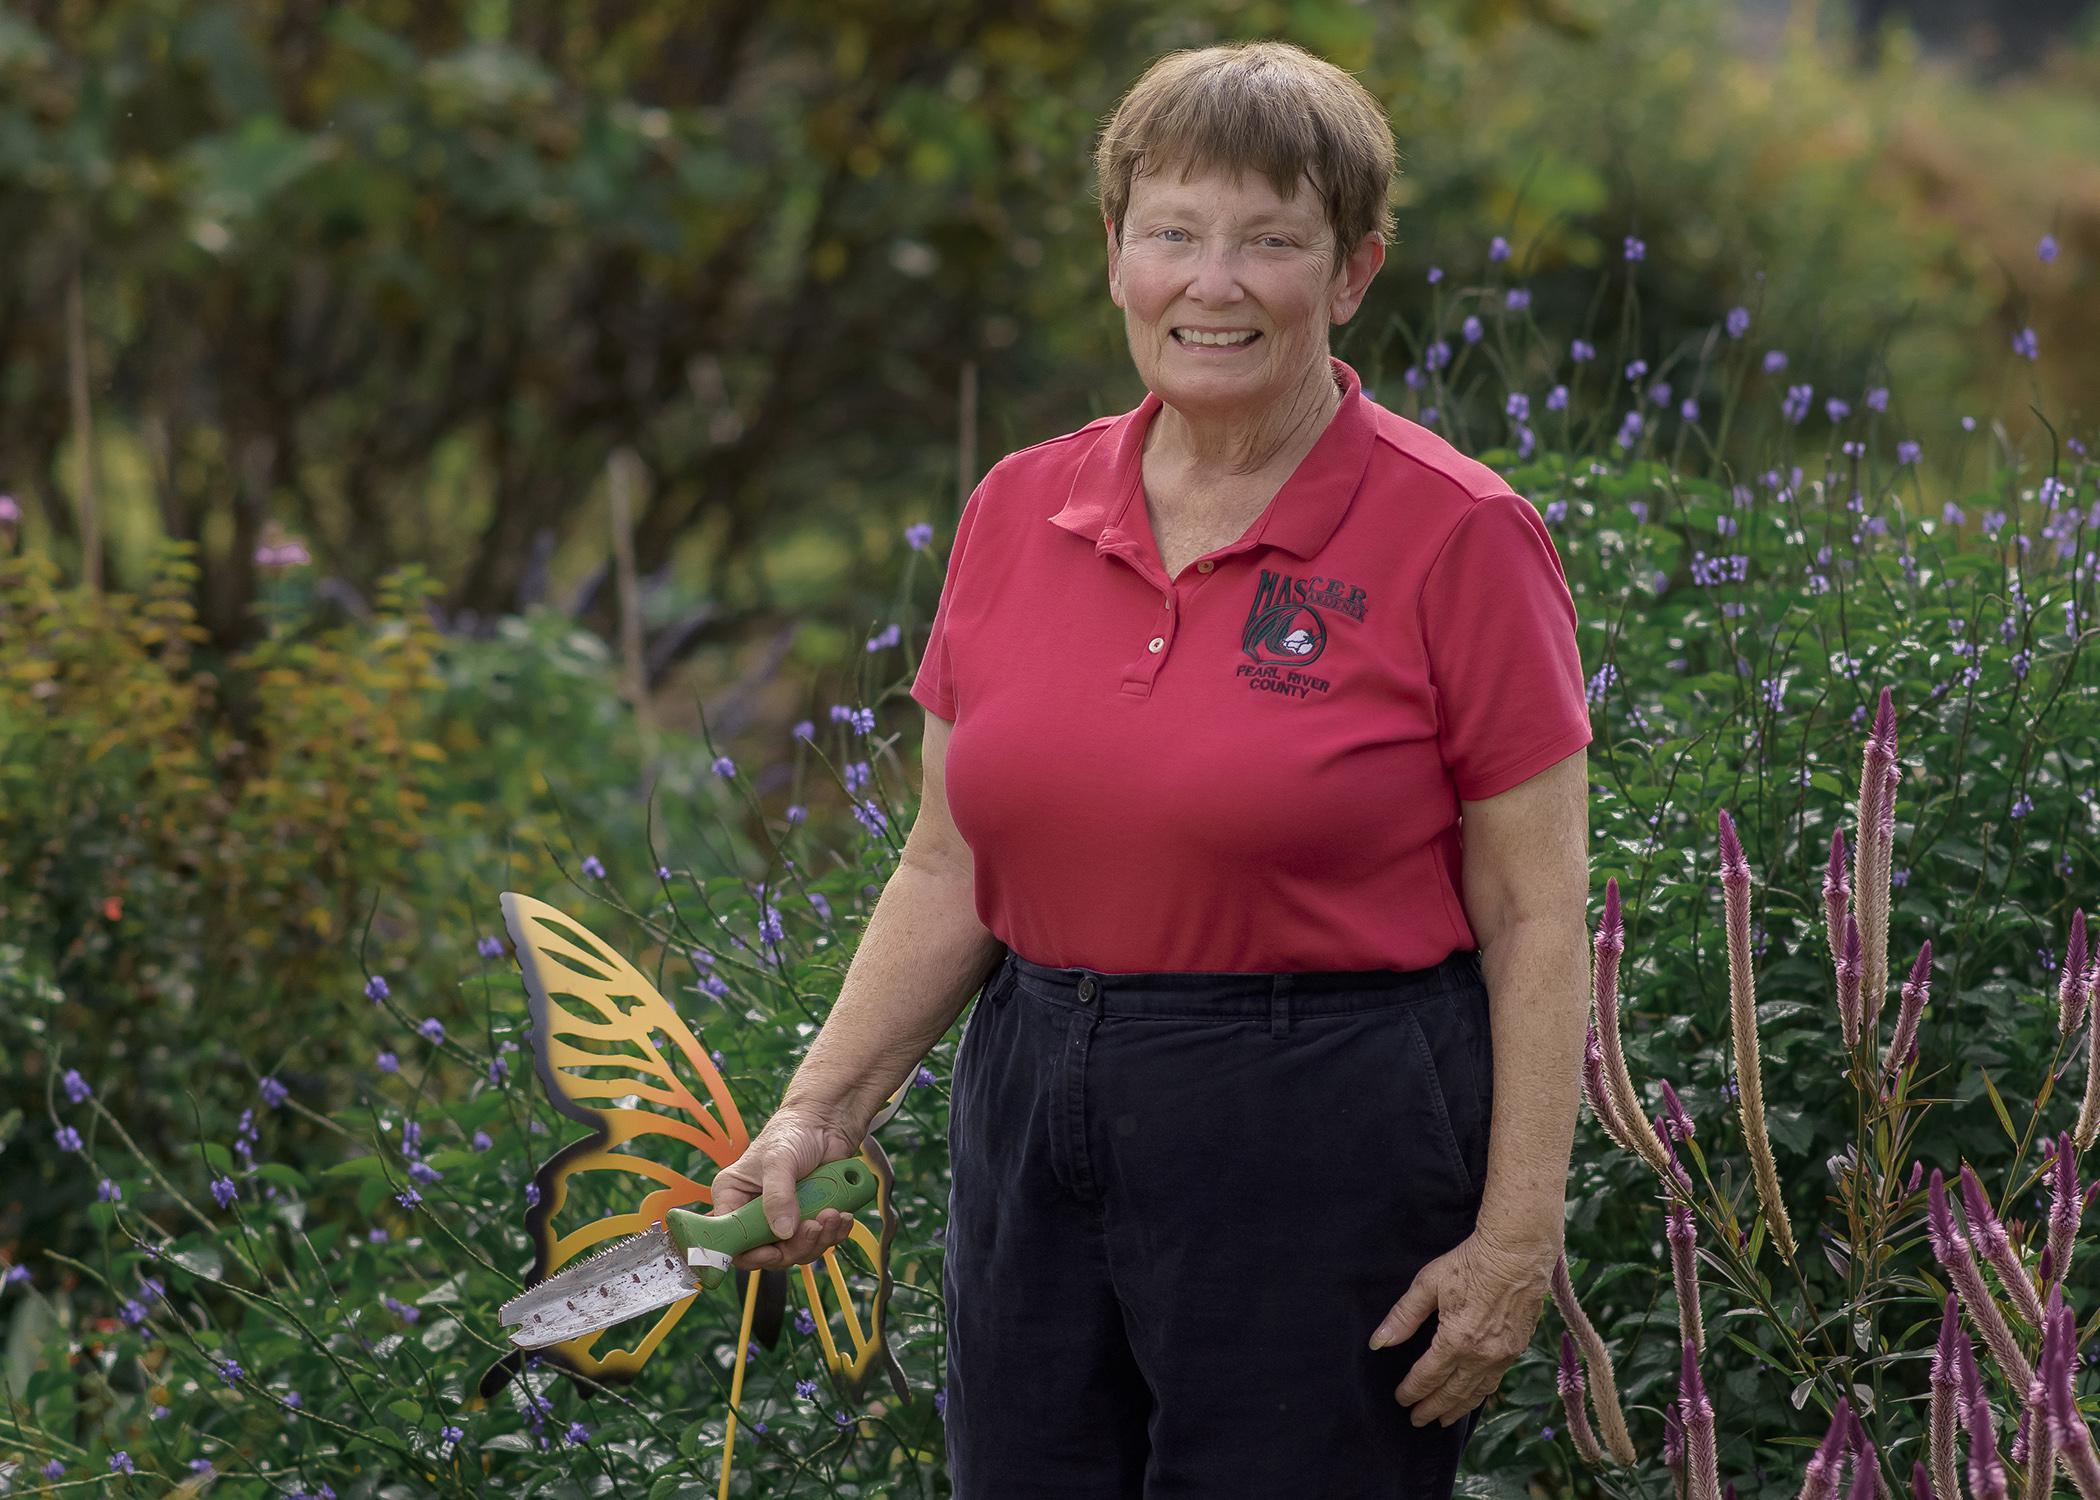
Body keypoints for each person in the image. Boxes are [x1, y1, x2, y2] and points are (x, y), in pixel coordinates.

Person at [707, 38, 1595, 1500]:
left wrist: (1514, 1242)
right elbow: (947, 863)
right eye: (1173, 232)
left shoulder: (1459, 536)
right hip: (1030, 1105)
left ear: (1355, 271)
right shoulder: (1018, 507)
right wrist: (817, 1112)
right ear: (1118, 252)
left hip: (1319, 1118)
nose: (1214, 281)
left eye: (1272, 240)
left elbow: (1539, 914)